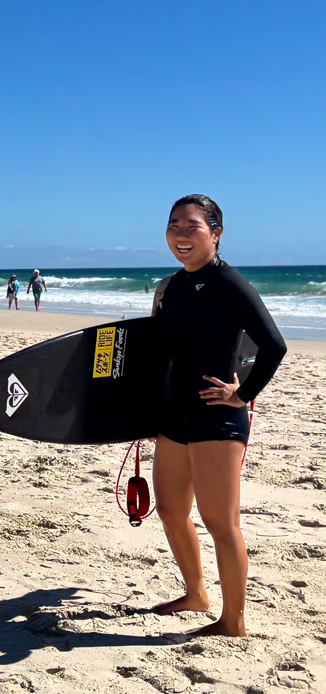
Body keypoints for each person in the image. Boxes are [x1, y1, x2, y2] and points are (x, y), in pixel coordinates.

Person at [150, 194, 286, 637]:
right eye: (174, 224)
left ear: (216, 233)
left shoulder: (229, 283)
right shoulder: (172, 286)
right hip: (176, 414)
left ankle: (233, 621)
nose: (181, 234)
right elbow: (161, 353)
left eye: (192, 226)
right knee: (171, 510)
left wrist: (242, 394)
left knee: (220, 523)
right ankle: (196, 594)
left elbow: (274, 345)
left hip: (216, 416)